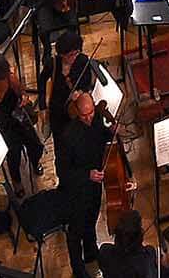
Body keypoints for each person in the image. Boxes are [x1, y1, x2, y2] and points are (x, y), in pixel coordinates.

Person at [54, 86, 112, 278]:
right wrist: (87, 175)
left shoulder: (95, 120)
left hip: (94, 186)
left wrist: (111, 131)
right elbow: (62, 171)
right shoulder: (68, 136)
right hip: (76, 191)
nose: (88, 118)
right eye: (84, 115)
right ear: (77, 112)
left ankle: (90, 252)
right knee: (75, 231)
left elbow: (102, 136)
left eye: (91, 113)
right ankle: (78, 269)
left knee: (91, 219)